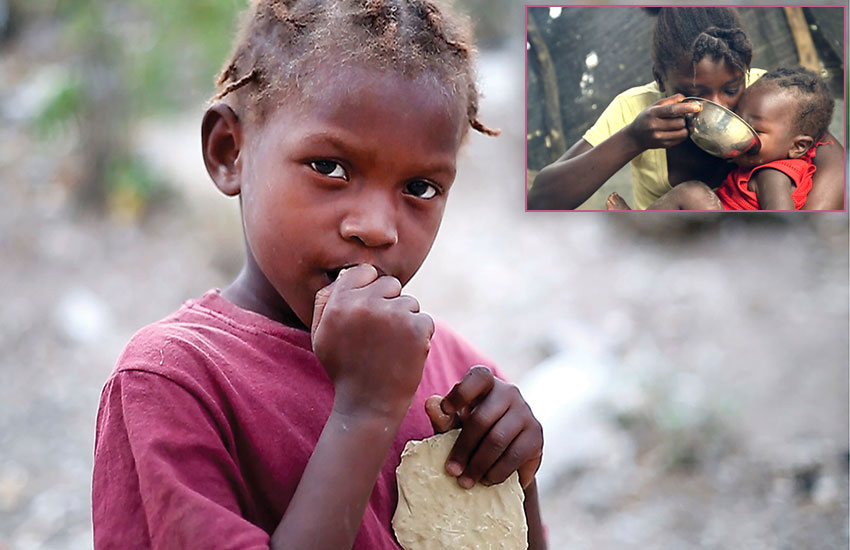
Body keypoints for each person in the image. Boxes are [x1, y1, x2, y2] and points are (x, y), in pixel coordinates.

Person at [91, 2, 546, 549]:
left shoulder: (452, 375)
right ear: (229, 151)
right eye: (331, 168)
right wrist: (367, 409)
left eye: (420, 188)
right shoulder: (174, 384)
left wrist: (515, 478)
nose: (376, 228)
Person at [527, 7, 845, 211]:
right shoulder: (633, 108)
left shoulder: (765, 94)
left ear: (746, 74)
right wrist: (632, 140)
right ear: (659, 79)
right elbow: (541, 199)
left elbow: (833, 157)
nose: (717, 105)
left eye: (732, 89)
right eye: (693, 93)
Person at [606, 66, 835, 210]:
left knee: (693, 193)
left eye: (756, 130)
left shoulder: (771, 175)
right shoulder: (779, 155)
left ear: (798, 146)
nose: (741, 133)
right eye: (739, 120)